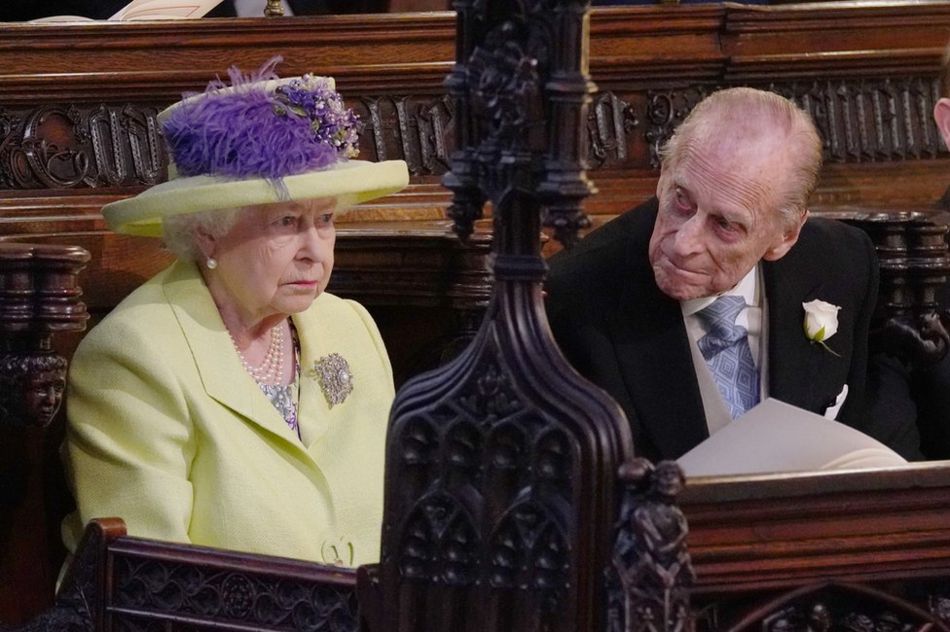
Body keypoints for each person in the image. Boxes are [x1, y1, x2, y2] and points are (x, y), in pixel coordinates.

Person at [60, 57, 409, 566]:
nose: (316, 250)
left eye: (326, 219)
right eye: (287, 222)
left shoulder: (349, 327)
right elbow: (149, 580)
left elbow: (405, 513)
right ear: (207, 232)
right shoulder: (133, 356)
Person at [545, 87, 890, 462]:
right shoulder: (574, 297)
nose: (683, 243)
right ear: (664, 175)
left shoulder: (842, 263)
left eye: (725, 224)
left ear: (785, 235)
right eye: (681, 200)